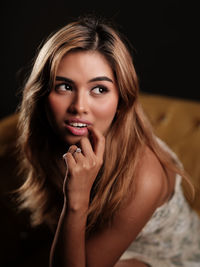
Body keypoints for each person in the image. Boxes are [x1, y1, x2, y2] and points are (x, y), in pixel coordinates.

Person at [16, 15, 200, 267]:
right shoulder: (47, 136)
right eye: (65, 87)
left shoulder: (144, 176)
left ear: (121, 100)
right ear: (42, 93)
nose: (79, 107)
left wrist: (77, 200)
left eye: (99, 89)